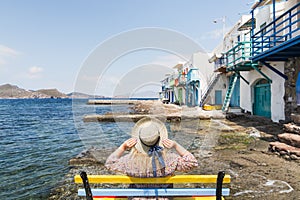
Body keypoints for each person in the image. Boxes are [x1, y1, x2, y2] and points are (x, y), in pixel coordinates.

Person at [105, 117, 198, 199]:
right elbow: (192, 162)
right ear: (160, 139)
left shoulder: (129, 161)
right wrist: (176, 146)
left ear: (139, 141)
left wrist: (123, 147)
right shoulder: (170, 160)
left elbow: (110, 163)